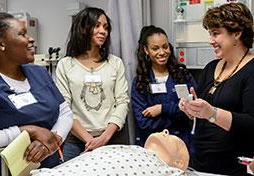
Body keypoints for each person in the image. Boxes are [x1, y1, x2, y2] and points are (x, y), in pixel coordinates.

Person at [0, 12, 73, 176]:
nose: (31, 39)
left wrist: (52, 140)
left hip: (48, 169)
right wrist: (27, 131)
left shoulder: (38, 73)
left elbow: (65, 112)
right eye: (22, 34)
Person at [179, 2, 254, 175]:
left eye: (216, 33)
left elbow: (251, 123)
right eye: (210, 34)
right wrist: (191, 110)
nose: (211, 40)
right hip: (201, 163)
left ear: (237, 33)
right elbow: (202, 112)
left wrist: (212, 113)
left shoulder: (251, 70)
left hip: (233, 167)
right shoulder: (211, 67)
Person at [55, 7, 129, 161]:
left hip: (112, 136)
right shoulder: (65, 65)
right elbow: (64, 108)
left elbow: (122, 102)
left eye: (106, 27)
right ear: (83, 29)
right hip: (77, 139)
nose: (103, 31)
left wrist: (104, 138)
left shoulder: (115, 63)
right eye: (97, 26)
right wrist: (90, 140)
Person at [131, 25, 197, 153]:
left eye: (165, 46)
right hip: (153, 148)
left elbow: (194, 108)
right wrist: (178, 113)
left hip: (182, 144)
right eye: (155, 48)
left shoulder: (182, 75)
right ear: (146, 50)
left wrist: (162, 109)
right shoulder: (141, 82)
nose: (162, 52)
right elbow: (143, 122)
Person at [30, 129, 192, 176]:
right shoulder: (132, 149)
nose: (165, 132)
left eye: (174, 140)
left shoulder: (165, 170)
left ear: (178, 164)